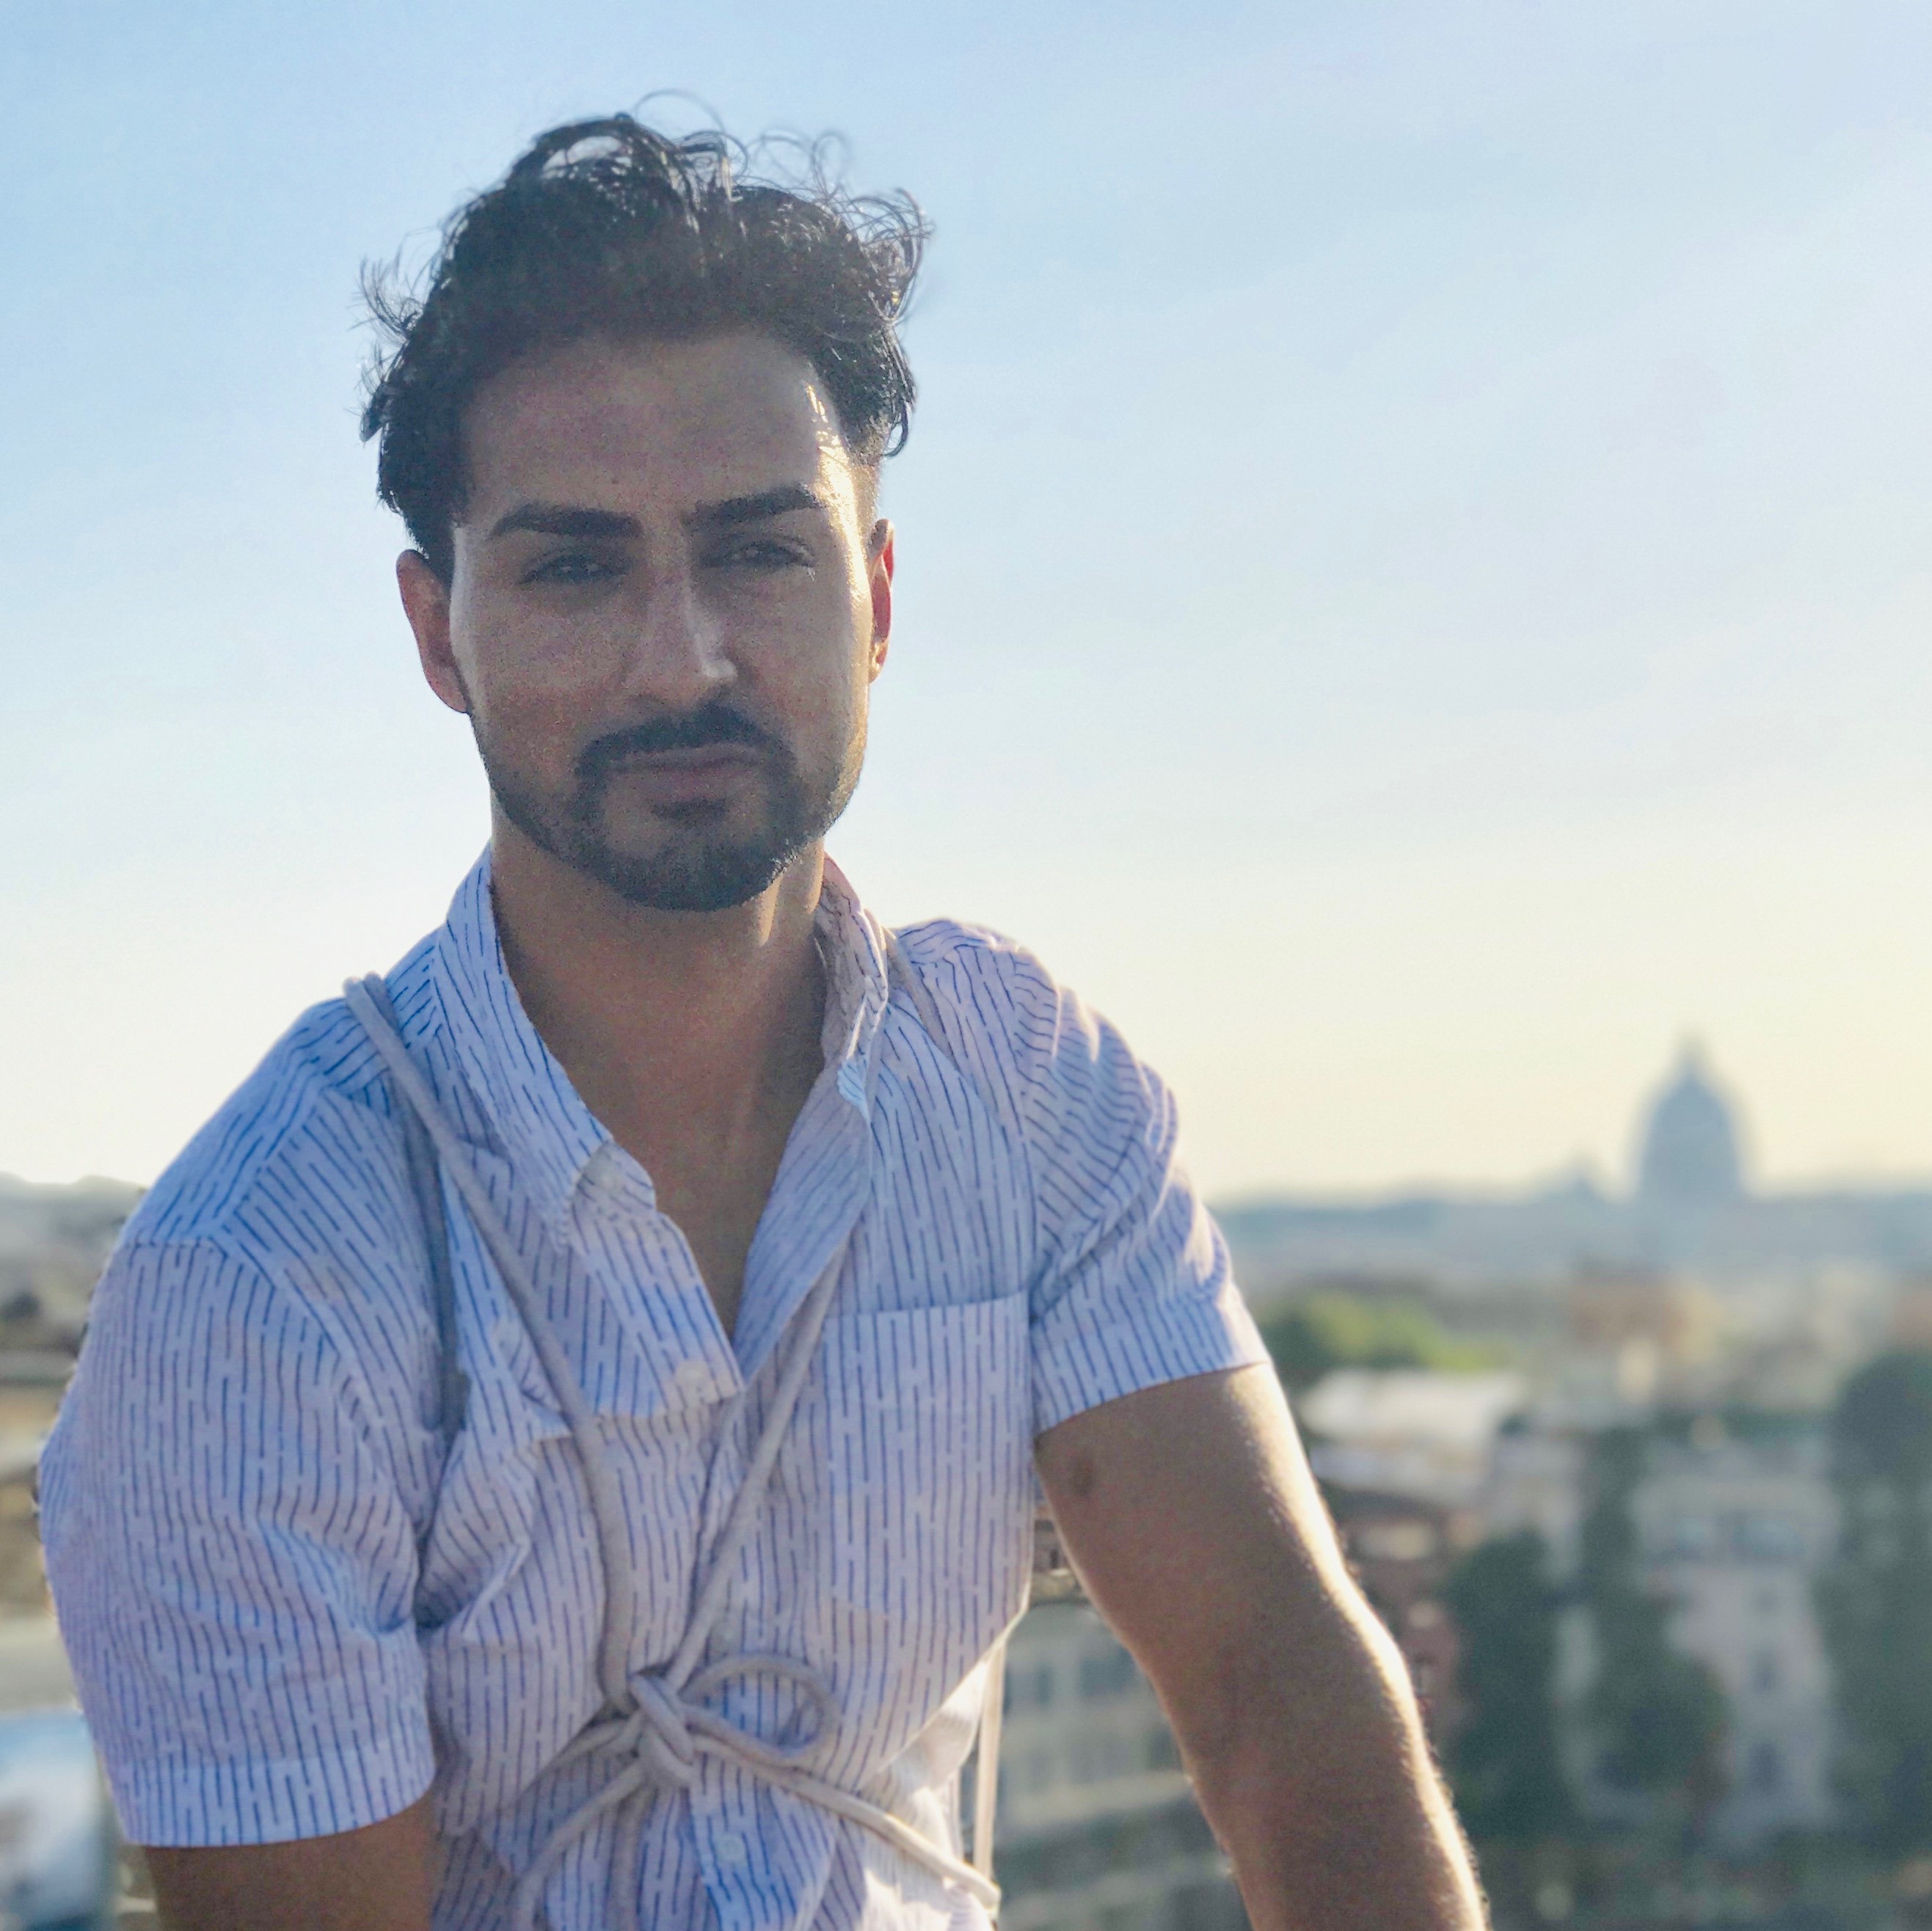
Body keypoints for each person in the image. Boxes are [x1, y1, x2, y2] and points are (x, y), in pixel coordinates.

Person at [40, 117, 1486, 1931]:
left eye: (760, 553)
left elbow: (1278, 1685)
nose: (682, 658)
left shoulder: (1023, 1087)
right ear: (437, 632)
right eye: (574, 568)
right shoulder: (256, 1281)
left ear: (876, 599)